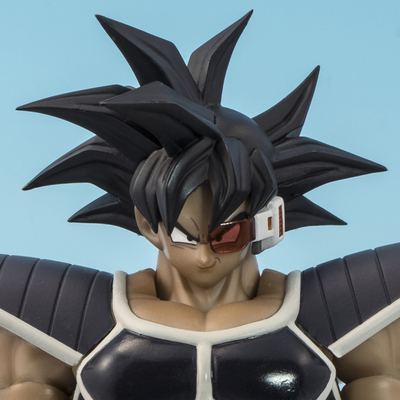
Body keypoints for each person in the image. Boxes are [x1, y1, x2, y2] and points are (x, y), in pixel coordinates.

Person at [0, 11, 399, 400]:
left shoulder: (330, 315)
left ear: (266, 222)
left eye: (228, 235)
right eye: (185, 236)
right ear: (147, 223)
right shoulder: (70, 318)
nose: (205, 257)